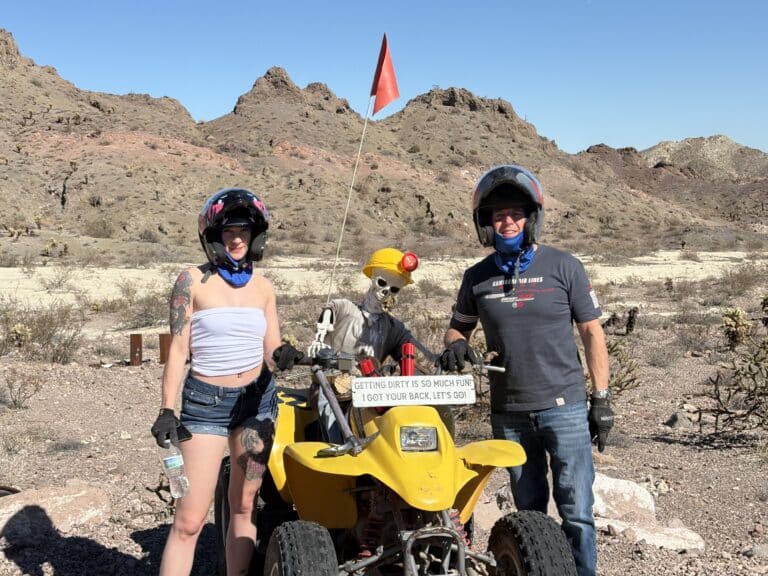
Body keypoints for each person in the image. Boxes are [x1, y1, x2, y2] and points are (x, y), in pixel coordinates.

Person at [439, 165, 614, 576]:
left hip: (565, 406)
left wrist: (601, 399)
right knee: (530, 515)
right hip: (509, 412)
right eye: (498, 215)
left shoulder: (565, 266)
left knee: (578, 514)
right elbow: (455, 329)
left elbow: (591, 332)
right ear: (486, 223)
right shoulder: (476, 277)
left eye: (516, 213)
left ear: (531, 218)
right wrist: (456, 344)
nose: (507, 222)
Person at [150, 187, 302, 576]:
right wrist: (167, 409)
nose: (237, 239)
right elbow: (178, 350)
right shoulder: (191, 282)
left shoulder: (264, 287)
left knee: (245, 505)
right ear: (213, 237)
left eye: (245, 231)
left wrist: (283, 354)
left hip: (257, 404)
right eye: (229, 231)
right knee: (189, 518)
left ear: (256, 237)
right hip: (205, 406)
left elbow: (272, 347)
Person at [307, 247, 432, 443]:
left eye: (394, 289)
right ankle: (337, 448)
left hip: (371, 393)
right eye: (382, 283)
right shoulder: (348, 309)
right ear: (372, 279)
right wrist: (321, 336)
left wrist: (439, 358)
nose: (386, 292)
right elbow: (331, 308)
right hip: (333, 385)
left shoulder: (391, 326)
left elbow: (410, 346)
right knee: (329, 406)